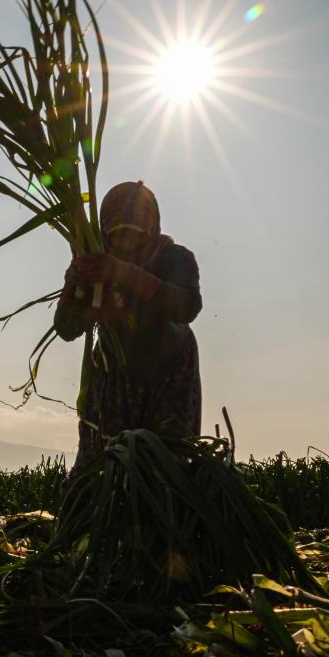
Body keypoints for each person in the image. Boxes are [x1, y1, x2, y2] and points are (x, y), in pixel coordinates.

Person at [54, 181, 203, 471]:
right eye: (118, 235)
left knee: (162, 465)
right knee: (102, 463)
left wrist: (123, 272)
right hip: (114, 375)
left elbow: (187, 306)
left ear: (152, 227)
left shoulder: (174, 257)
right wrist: (72, 284)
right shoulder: (95, 263)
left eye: (135, 235)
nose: (126, 245)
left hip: (169, 371)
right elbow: (66, 328)